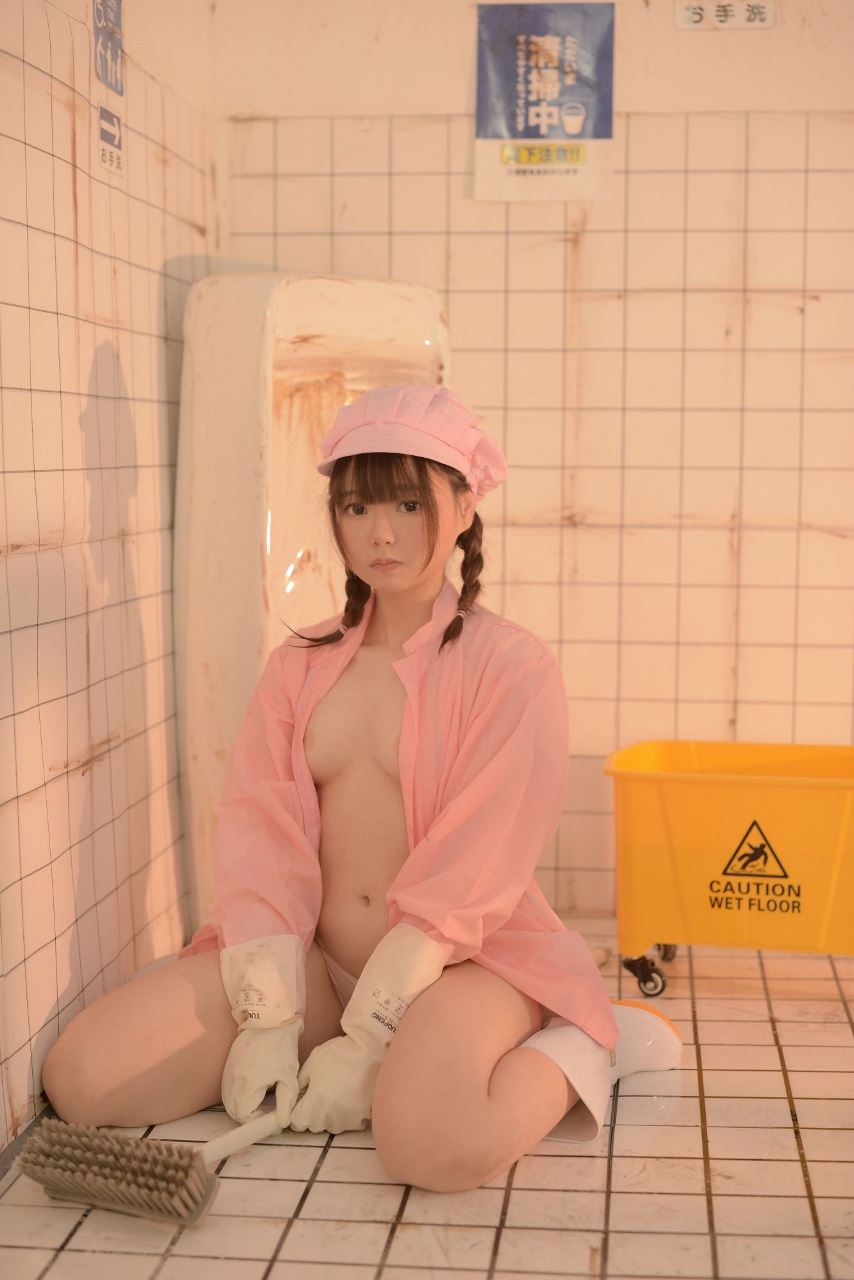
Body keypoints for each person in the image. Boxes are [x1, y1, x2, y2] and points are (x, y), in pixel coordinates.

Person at [42, 385, 681, 1193]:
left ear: (463, 506)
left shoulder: (512, 669)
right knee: (83, 1076)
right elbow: (260, 840)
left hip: (463, 966)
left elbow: (477, 869)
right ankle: (334, 1046)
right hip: (317, 966)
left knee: (429, 1146)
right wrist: (269, 1017)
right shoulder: (299, 666)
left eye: (409, 503)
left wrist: (375, 1032)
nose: (381, 533)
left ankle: (586, 1045)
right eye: (356, 506)